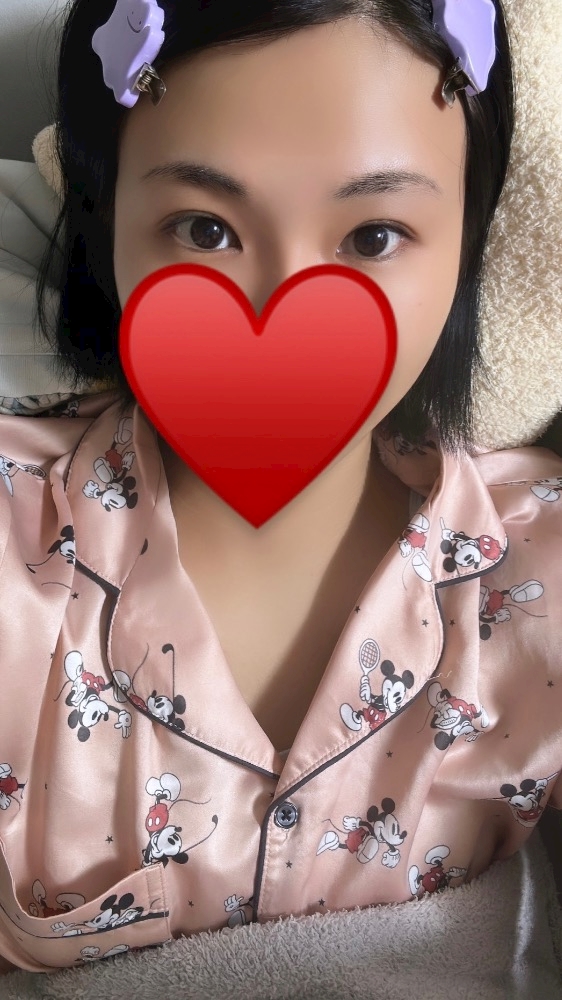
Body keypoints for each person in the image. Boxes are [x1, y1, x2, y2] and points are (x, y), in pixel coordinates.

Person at [0, 0, 560, 975]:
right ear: (108, 217)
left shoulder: (541, 571)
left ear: (466, 241)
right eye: (205, 228)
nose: (286, 305)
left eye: (374, 236)